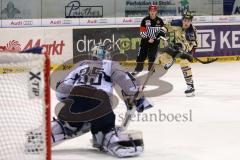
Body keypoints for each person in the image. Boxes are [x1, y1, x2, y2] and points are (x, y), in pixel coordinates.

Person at [51, 44, 153, 157]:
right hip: (99, 102)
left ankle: (53, 130)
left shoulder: (81, 64)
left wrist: (70, 101)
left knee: (66, 124)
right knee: (105, 128)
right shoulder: (110, 64)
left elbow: (61, 91)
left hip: (74, 101)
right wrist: (138, 97)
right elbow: (124, 79)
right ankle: (108, 138)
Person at [158, 11, 198, 97]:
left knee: (184, 63)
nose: (186, 22)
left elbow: (194, 46)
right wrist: (162, 32)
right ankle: (169, 62)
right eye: (185, 20)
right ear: (182, 19)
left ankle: (190, 86)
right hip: (176, 45)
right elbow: (165, 27)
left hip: (186, 49)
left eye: (188, 21)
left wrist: (189, 53)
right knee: (161, 58)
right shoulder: (176, 23)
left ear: (191, 21)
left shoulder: (192, 31)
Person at [131, 5, 166, 76]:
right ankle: (138, 69)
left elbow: (163, 32)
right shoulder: (144, 20)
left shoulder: (160, 21)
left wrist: (164, 39)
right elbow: (142, 32)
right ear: (149, 11)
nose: (152, 12)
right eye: (151, 11)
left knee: (152, 56)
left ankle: (151, 70)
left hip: (155, 42)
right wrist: (148, 39)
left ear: (156, 11)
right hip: (145, 41)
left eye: (154, 11)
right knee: (141, 55)